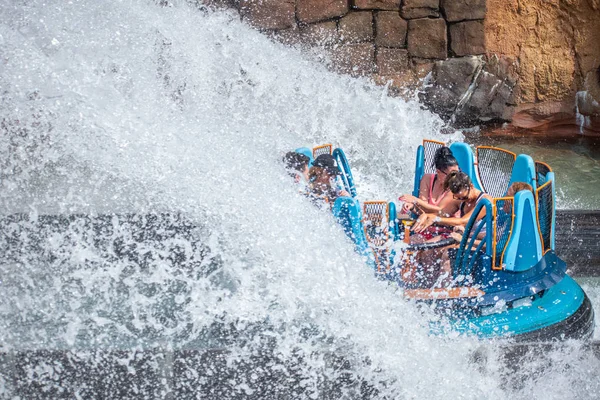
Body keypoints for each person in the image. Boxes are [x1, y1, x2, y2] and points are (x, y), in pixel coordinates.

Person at [399, 146, 461, 216]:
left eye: (457, 173)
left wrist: (415, 200)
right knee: (399, 215)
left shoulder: (455, 186)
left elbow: (440, 211)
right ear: (438, 171)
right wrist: (411, 207)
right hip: (430, 221)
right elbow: (423, 209)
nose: (455, 177)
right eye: (452, 174)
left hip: (448, 223)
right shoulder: (427, 179)